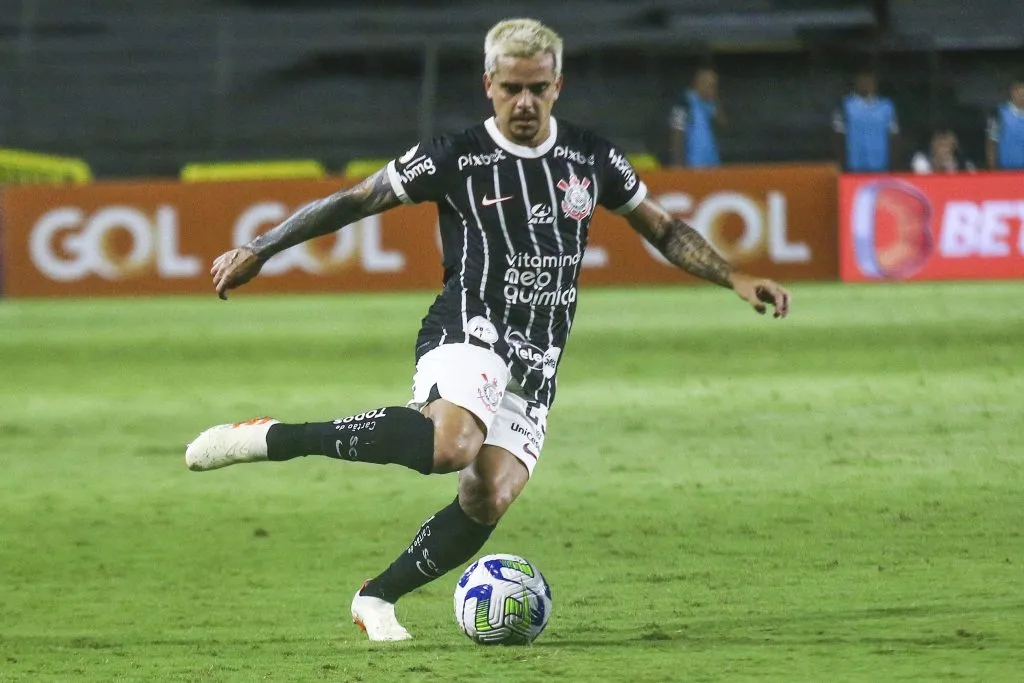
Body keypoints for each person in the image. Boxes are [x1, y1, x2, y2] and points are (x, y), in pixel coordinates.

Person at [185, 18, 791, 642]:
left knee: (488, 495)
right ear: (488, 85)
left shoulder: (591, 158)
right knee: (451, 446)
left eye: (537, 88)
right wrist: (262, 246)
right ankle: (273, 438)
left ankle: (376, 597)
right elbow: (354, 200)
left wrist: (733, 277)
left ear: (558, 84)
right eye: (510, 88)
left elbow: (664, 228)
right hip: (468, 330)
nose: (524, 102)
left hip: (538, 359)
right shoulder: (454, 157)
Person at [833, 68, 900, 172]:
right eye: (862, 79)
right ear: (856, 81)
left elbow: (894, 135)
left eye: (869, 79)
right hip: (853, 168)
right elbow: (838, 137)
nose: (866, 83)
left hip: (881, 167)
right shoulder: (844, 105)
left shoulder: (887, 106)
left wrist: (893, 164)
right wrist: (842, 164)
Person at [669, 67, 725, 168]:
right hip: (693, 164)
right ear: (698, 83)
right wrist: (678, 162)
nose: (712, 89)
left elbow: (723, 123)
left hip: (712, 163)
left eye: (714, 86)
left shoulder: (711, 104)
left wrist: (715, 100)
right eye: (709, 85)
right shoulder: (683, 102)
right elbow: (676, 132)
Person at [986, 76, 1024, 170]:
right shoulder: (998, 113)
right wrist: (992, 168)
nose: (1022, 94)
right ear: (1012, 91)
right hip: (1006, 170)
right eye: (1018, 90)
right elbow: (991, 141)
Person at [911, 128, 975, 174]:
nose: (944, 148)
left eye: (947, 144)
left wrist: (950, 167)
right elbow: (923, 182)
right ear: (932, 144)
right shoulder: (921, 159)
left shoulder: (966, 165)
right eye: (940, 143)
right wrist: (938, 166)